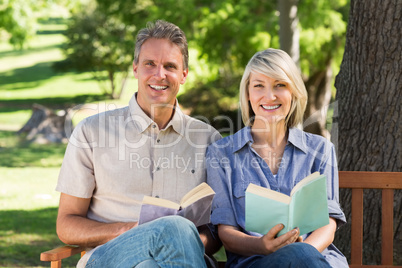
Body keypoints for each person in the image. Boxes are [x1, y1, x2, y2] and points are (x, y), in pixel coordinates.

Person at [56, 20, 222, 268]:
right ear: (135, 68)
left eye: (170, 66)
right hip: (111, 256)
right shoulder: (91, 132)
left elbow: (217, 230)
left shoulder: (208, 139)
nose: (159, 74)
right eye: (150, 64)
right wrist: (130, 230)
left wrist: (181, 238)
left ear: (184, 75)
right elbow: (67, 224)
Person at [206, 48, 348, 267]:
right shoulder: (222, 153)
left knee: (301, 257)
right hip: (256, 261)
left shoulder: (320, 149)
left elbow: (328, 223)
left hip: (316, 257)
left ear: (293, 92)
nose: (269, 96)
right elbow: (226, 232)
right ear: (247, 94)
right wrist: (261, 245)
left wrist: (303, 252)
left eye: (280, 85)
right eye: (259, 86)